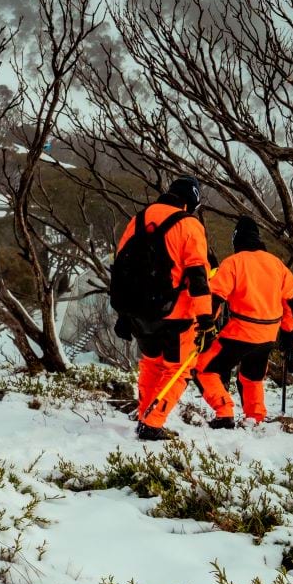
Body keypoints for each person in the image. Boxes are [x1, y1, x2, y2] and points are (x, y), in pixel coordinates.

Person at [113, 176, 213, 441]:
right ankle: (153, 423)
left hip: (137, 312)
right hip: (175, 314)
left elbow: (121, 267)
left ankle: (145, 412)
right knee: (179, 370)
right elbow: (198, 276)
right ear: (191, 200)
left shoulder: (140, 218)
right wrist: (205, 318)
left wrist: (123, 313)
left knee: (151, 364)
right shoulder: (190, 225)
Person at [195, 216, 293, 428]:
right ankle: (255, 418)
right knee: (252, 377)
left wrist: (206, 326)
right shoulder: (277, 265)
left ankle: (224, 412)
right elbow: (291, 304)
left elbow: (215, 298)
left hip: (240, 332)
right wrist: (288, 333)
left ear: (236, 240)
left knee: (203, 368)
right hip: (269, 334)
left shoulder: (233, 262)